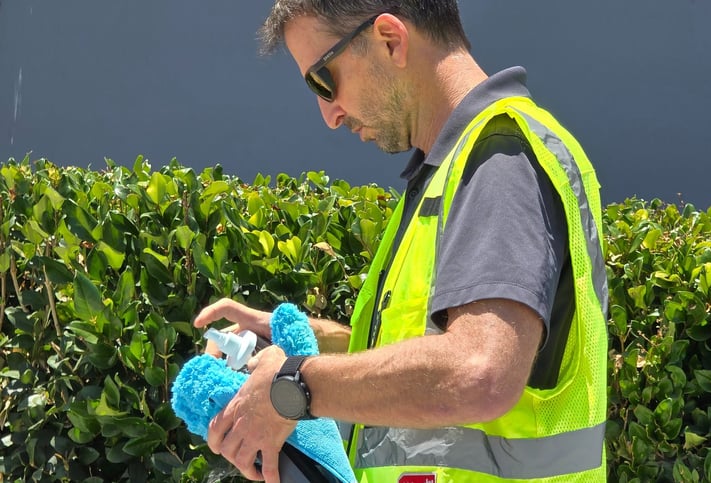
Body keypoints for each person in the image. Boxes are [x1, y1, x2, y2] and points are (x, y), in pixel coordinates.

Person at [193, 1, 609, 481]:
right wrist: (310, 344)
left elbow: (479, 372)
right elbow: (428, 352)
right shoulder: (451, 171)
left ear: (390, 40)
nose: (329, 114)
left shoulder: (498, 161)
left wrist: (291, 387)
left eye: (323, 81)